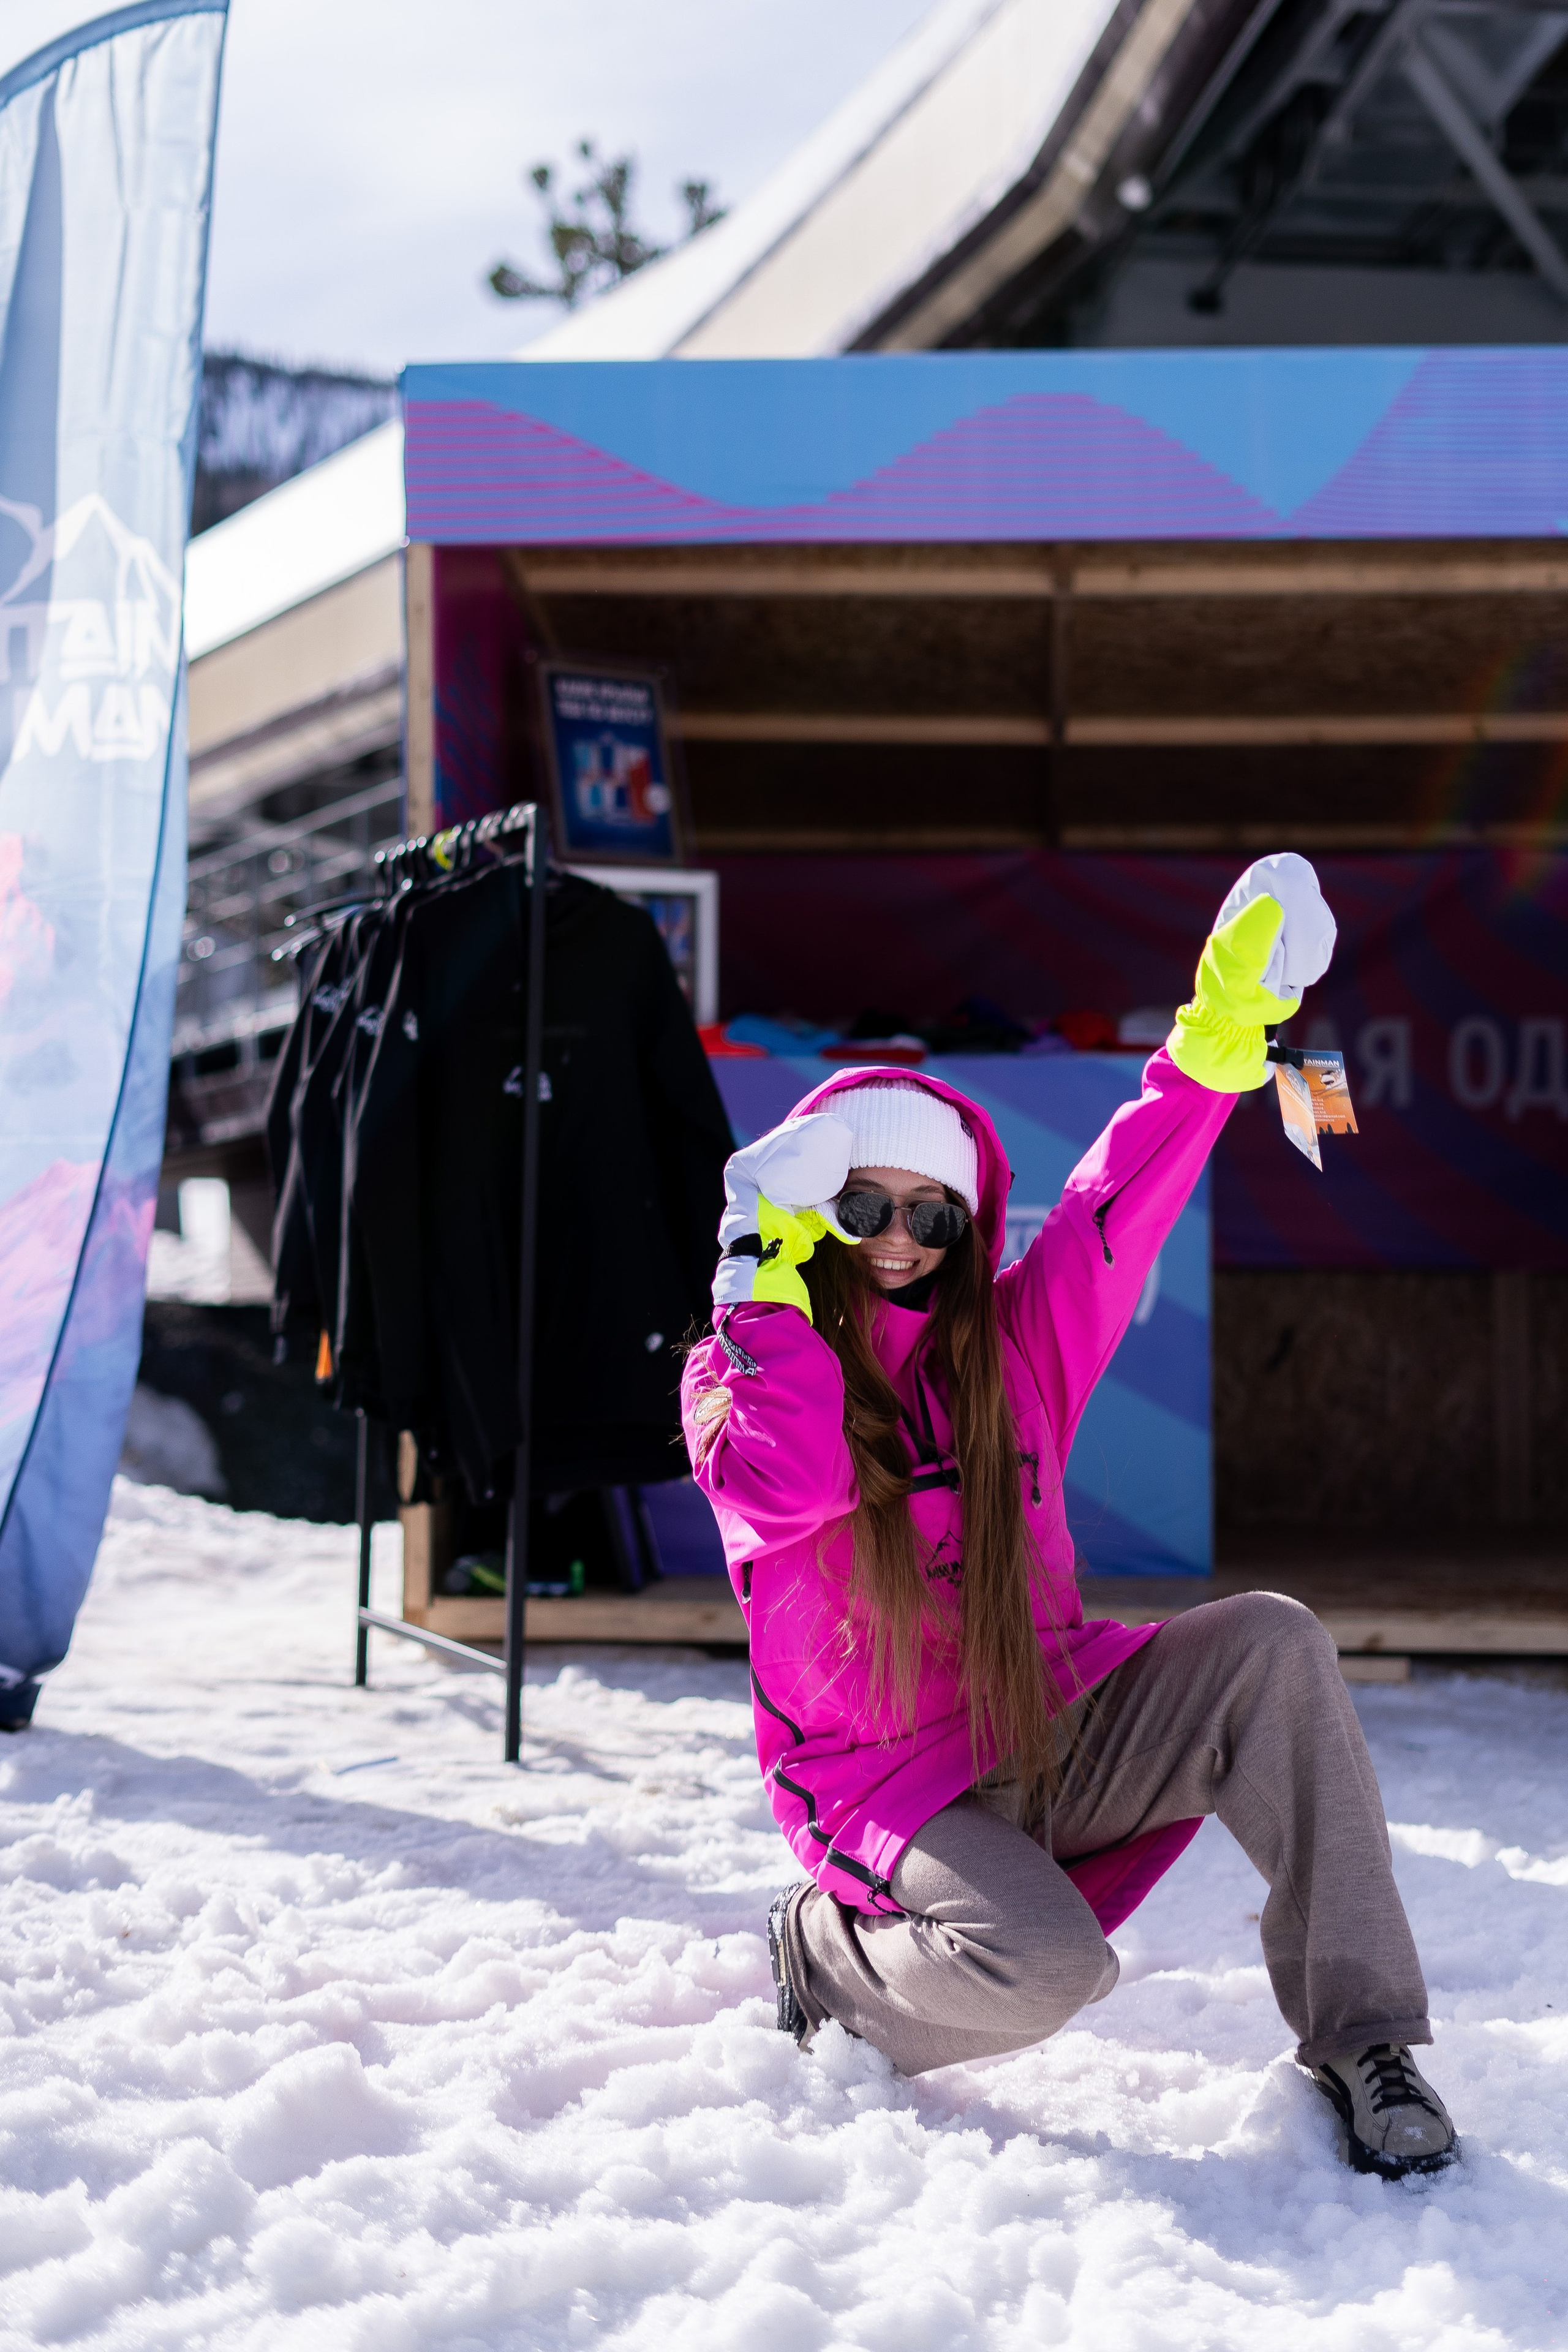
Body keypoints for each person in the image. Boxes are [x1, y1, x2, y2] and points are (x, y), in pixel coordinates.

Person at [682, 855, 1457, 2181]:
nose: (900, 1237)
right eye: (862, 1205)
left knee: (1273, 1643)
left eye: (933, 1212)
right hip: (891, 1789)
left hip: (1046, 1718)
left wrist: (1214, 1044)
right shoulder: (740, 1368)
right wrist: (760, 1274)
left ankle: (1363, 2038)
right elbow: (791, 1485)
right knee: (1046, 1969)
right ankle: (823, 1956)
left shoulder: (1012, 1347)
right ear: (814, 1209)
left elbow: (1116, 1202)